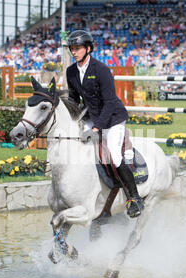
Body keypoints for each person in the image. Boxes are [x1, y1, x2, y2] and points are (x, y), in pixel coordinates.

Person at [66, 30, 144, 218]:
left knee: (114, 155)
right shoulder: (71, 72)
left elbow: (109, 102)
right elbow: (73, 99)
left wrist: (96, 127)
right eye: (72, 49)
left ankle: (134, 198)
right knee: (77, 146)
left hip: (112, 118)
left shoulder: (101, 70)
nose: (74, 52)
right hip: (91, 117)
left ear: (88, 49)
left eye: (77, 49)